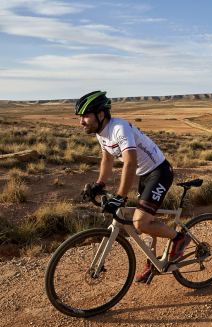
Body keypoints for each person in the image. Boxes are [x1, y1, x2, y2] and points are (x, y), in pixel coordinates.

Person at [75, 90, 190, 283]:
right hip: (144, 174)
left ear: (100, 115)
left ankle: (179, 238)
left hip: (159, 172)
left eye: (85, 116)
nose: (81, 121)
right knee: (145, 221)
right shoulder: (101, 133)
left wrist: (120, 195)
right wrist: (99, 184)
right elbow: (107, 159)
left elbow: (129, 163)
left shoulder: (119, 128)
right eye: (80, 117)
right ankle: (152, 264)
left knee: (140, 223)